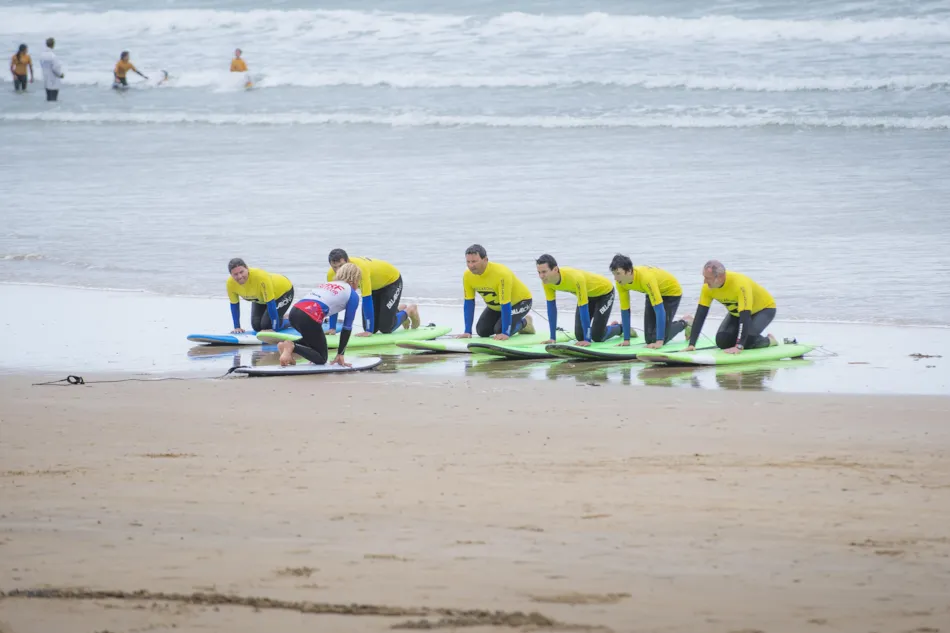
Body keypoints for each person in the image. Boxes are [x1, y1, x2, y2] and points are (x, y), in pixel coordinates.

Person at [682, 260, 777, 354]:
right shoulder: (707, 288)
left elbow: (745, 317)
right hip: (737, 313)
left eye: (708, 278)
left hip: (764, 309)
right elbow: (700, 315)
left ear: (720, 277)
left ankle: (769, 340)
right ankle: (746, 340)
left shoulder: (740, 284)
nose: (704, 282)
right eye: (704, 277)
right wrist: (692, 344)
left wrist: (739, 346)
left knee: (746, 341)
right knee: (722, 341)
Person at [277, 263, 361, 368]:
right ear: (355, 280)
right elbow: (347, 327)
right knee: (321, 358)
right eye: (359, 281)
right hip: (308, 315)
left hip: (294, 312)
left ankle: (285, 345)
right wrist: (340, 354)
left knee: (313, 340)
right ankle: (292, 346)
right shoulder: (352, 295)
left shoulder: (328, 284)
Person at [325, 249, 419, 337]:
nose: (338, 270)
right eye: (334, 267)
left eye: (341, 266)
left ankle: (410, 310)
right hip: (374, 288)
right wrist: (332, 328)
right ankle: (396, 310)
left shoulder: (360, 270)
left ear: (348, 261)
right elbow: (334, 301)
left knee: (386, 328)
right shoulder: (331, 276)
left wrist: (368, 331)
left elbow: (366, 299)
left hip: (391, 282)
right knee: (372, 328)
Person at [536, 254, 620, 347]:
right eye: (539, 272)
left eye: (544, 272)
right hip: (587, 295)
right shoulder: (547, 282)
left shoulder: (575, 278)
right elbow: (551, 308)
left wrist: (587, 339)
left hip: (605, 293)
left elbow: (583, 308)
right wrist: (552, 338)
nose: (541, 276)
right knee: (580, 336)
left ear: (555, 269)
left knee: (597, 336)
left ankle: (620, 327)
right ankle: (599, 327)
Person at [609, 254, 689, 349]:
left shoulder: (645, 278)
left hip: (671, 293)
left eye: (618, 273)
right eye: (614, 274)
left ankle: (686, 322)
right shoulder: (620, 283)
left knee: (657, 338)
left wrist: (659, 341)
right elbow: (625, 309)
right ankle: (663, 333)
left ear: (629, 271)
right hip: (652, 291)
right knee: (649, 340)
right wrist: (626, 340)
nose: (615, 278)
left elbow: (659, 310)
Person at [458, 244, 535, 340]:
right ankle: (506, 323)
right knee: (482, 331)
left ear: (485, 260)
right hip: (496, 307)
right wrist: (467, 331)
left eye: (474, 261)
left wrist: (505, 333)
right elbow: (469, 303)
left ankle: (525, 322)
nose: (471, 266)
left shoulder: (501, 273)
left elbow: (505, 303)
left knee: (500, 330)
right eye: (468, 262)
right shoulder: (467, 276)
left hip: (521, 302)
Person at [225, 258, 294, 333]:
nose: (240, 276)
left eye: (241, 272)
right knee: (257, 326)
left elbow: (270, 303)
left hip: (283, 292)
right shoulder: (230, 284)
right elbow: (234, 305)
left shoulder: (260, 277)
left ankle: (292, 320)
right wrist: (237, 327)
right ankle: (280, 317)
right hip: (261, 299)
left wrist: (275, 329)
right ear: (231, 275)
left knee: (267, 325)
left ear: (247, 268)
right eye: (235, 274)